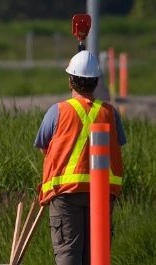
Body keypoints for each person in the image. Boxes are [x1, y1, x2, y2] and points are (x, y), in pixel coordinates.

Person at [34, 50, 126, 265]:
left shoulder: (57, 111)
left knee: (68, 255)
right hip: (102, 193)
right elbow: (117, 145)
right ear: (96, 82)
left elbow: (43, 148)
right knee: (97, 257)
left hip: (65, 194)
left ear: (70, 81)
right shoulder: (111, 113)